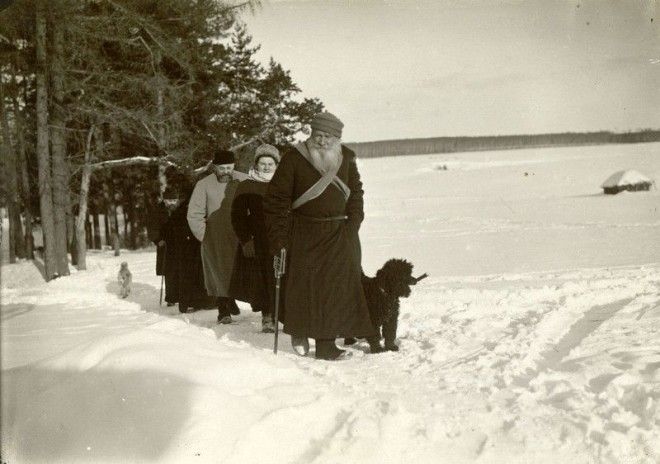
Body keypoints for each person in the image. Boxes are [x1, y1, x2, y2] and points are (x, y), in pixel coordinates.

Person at [263, 111, 375, 360]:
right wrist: (279, 239)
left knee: (336, 289)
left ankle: (326, 344)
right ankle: (299, 331)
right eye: (318, 135)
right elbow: (276, 201)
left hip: (340, 232)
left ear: (337, 138)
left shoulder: (347, 157)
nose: (322, 141)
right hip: (304, 232)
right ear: (311, 134)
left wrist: (354, 223)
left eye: (328, 137)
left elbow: (356, 192)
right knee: (306, 288)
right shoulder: (293, 159)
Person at [187, 148, 244, 324]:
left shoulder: (244, 180)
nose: (226, 171)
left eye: (229, 167)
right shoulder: (203, 185)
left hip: (240, 235)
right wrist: (204, 236)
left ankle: (232, 298)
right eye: (222, 168)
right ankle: (223, 310)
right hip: (215, 237)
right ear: (214, 167)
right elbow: (194, 213)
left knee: (239, 271)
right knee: (219, 272)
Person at [229, 144, 281, 333]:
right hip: (258, 241)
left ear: (276, 165)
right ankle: (267, 316)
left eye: (270, 163)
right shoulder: (246, 186)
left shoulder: (283, 184)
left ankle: (283, 315)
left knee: (283, 276)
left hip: (281, 238)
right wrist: (245, 239)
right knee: (263, 279)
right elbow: (237, 216)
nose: (266, 167)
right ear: (256, 164)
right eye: (262, 163)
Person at [161, 185, 215, 313]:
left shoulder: (191, 208)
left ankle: (195, 302)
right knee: (191, 275)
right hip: (186, 248)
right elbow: (170, 230)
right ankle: (191, 302)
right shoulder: (183, 211)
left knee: (195, 275)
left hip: (194, 246)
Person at [146, 190, 177, 306]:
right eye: (169, 200)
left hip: (179, 245)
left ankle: (182, 296)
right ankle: (171, 298)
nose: (172, 203)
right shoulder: (157, 211)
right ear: (164, 200)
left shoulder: (180, 210)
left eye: (174, 200)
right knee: (169, 271)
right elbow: (152, 228)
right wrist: (158, 240)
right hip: (165, 245)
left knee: (180, 270)